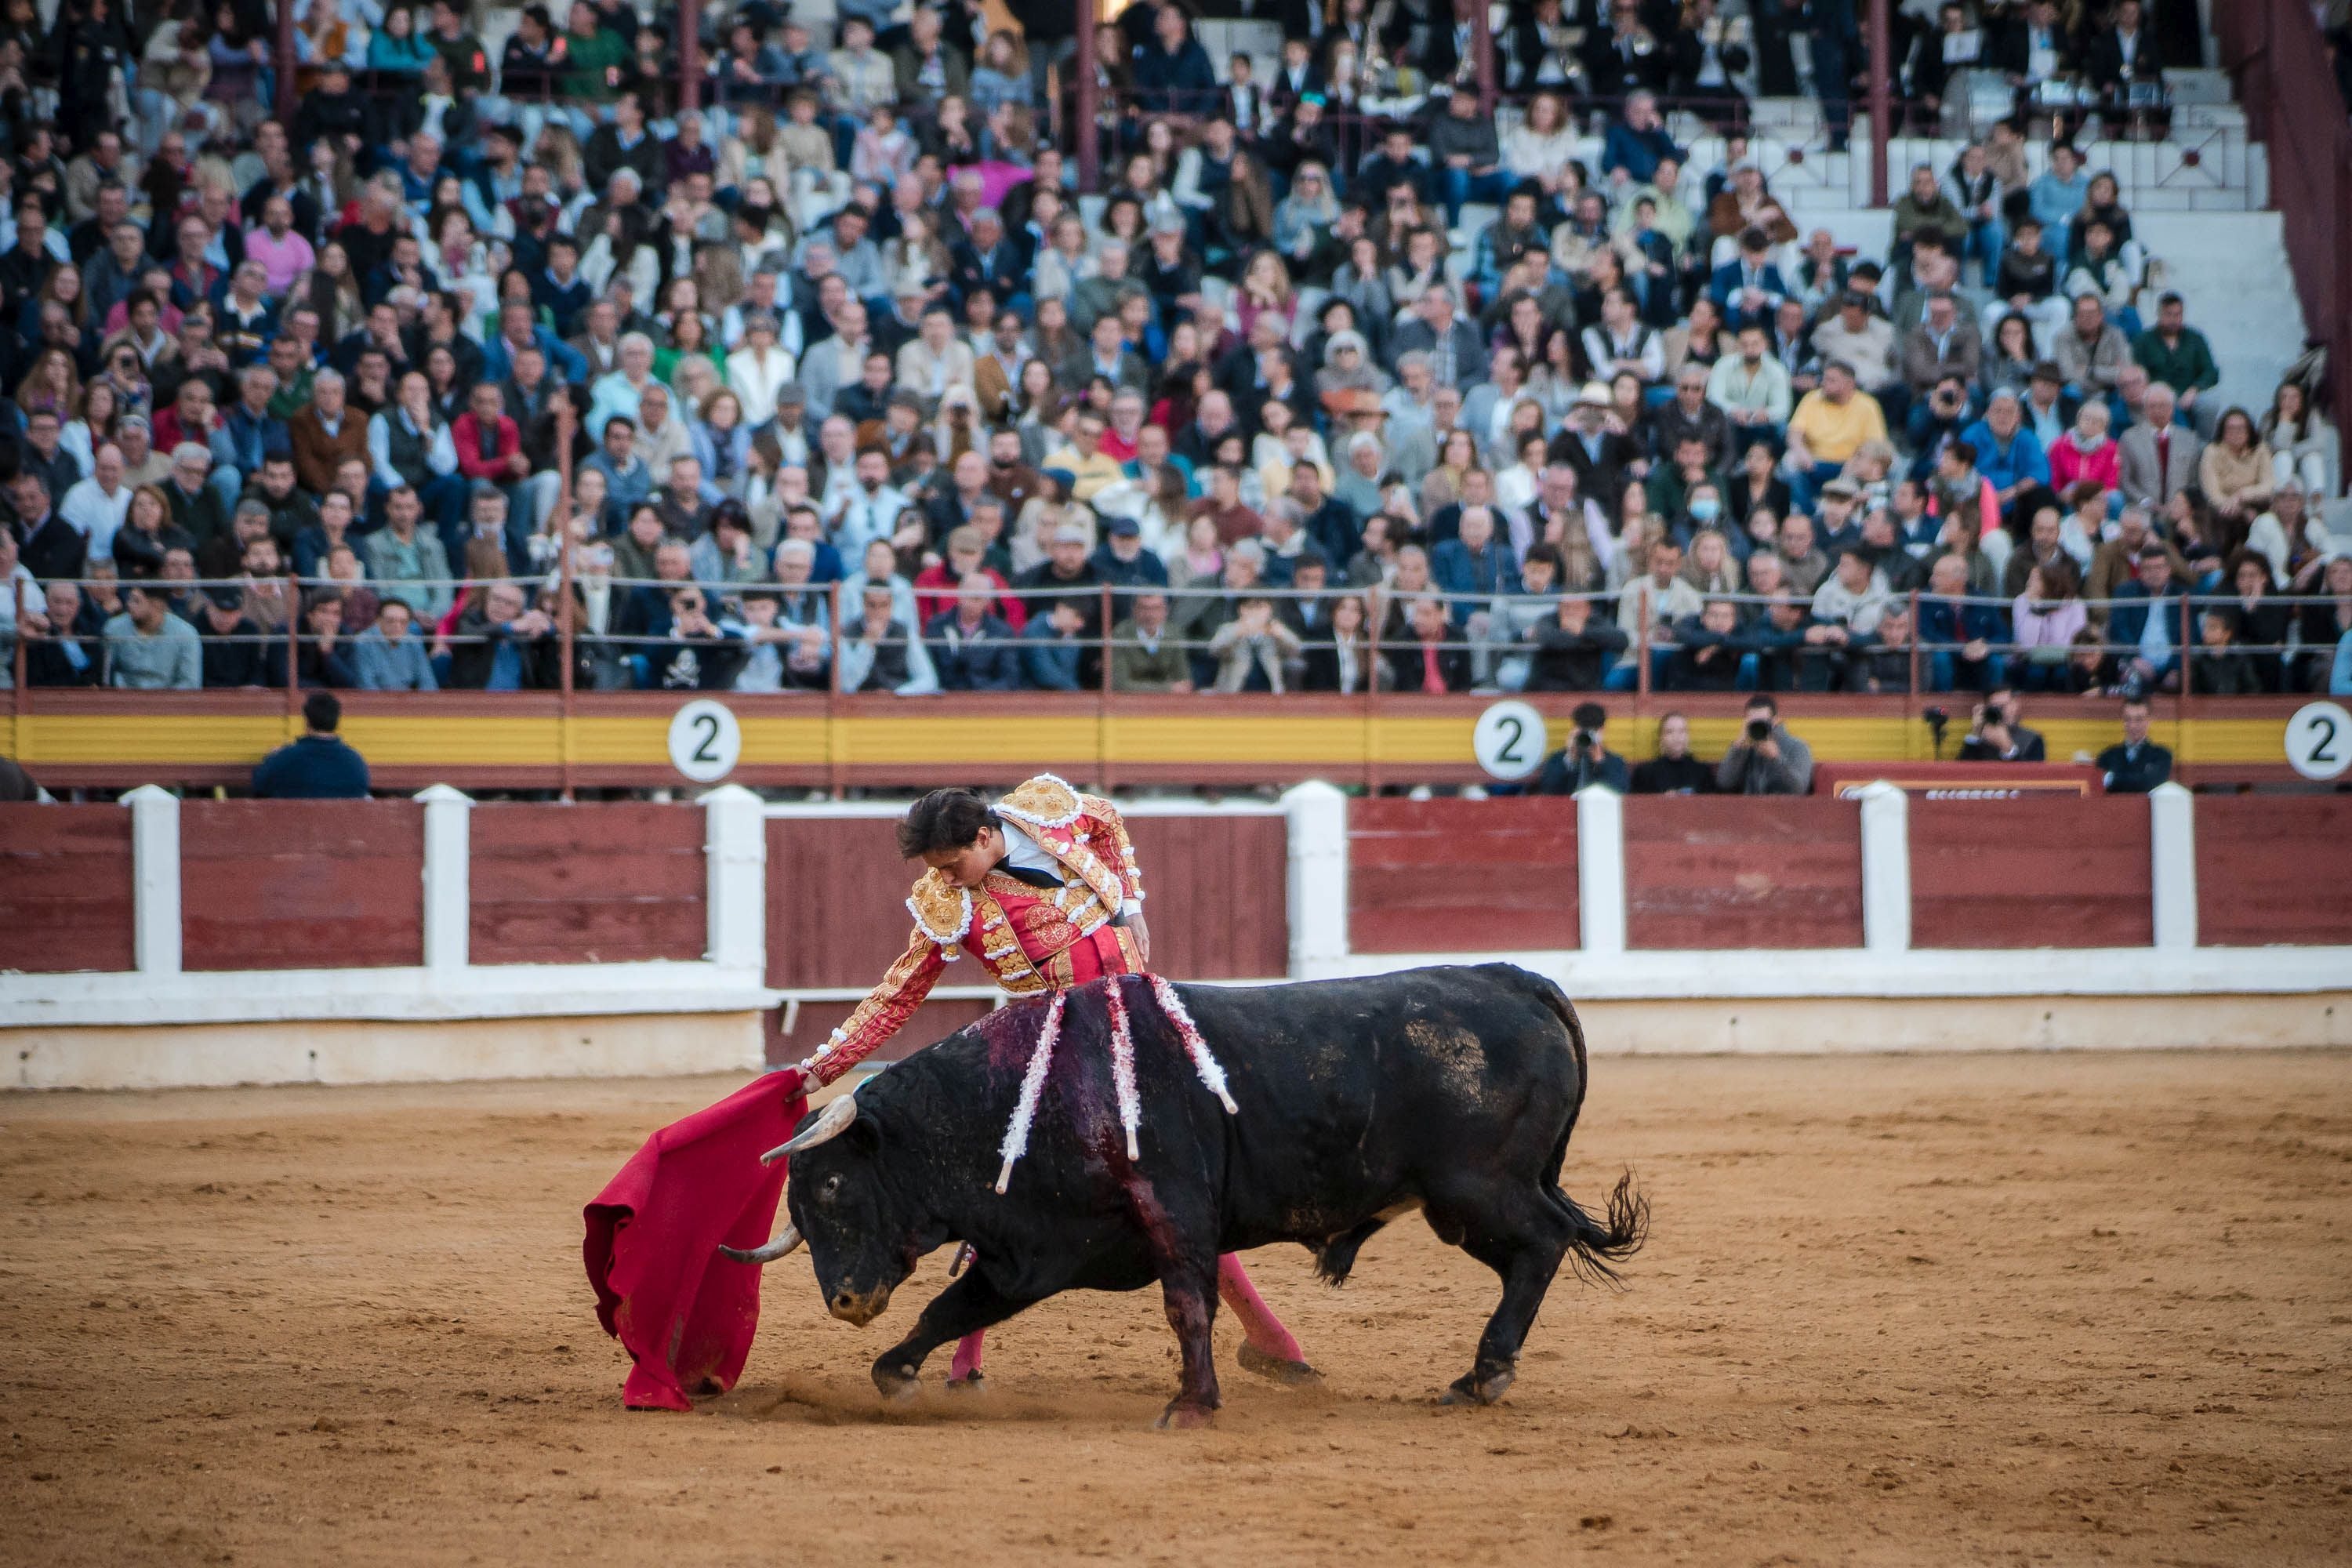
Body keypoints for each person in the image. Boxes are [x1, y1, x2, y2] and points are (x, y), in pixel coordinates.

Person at [805, 779, 1316, 1390]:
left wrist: (1130, 905)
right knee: (1061, 1194)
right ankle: (967, 1359)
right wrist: (821, 1068)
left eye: (953, 863)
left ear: (987, 836)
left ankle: (1266, 1337)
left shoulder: (1046, 811)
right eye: (937, 869)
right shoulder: (950, 904)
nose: (946, 878)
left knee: (1178, 1183)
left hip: (1143, 1033)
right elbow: (898, 994)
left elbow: (1108, 821)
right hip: (1056, 1055)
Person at [252, 692, 372, 798]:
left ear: (307, 721)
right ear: (336, 721)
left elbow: (259, 784)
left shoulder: (285, 758)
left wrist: (270, 758)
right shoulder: (356, 762)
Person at [1715, 693, 1813, 794]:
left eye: (1763, 722)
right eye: (1754, 722)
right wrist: (1738, 748)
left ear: (1776, 720)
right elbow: (1724, 783)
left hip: (1784, 808)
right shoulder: (1745, 747)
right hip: (1749, 807)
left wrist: (1776, 758)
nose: (1758, 726)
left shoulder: (1798, 747)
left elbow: (1799, 789)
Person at [1534, 702, 1630, 794]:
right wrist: (1570, 760)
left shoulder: (1615, 762)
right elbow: (1548, 790)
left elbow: (1619, 792)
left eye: (1593, 731)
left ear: (1602, 730)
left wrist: (1601, 763)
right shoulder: (1557, 760)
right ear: (1574, 729)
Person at [2096, 697, 2172, 793]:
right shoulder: (2107, 756)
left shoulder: (2162, 755)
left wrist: (2112, 779)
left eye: (2139, 720)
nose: (2132, 726)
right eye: (2128, 719)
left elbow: (2150, 783)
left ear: (2150, 720)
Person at [1629, 711, 1716, 793]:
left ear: (1688, 737)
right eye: (1670, 732)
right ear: (1661, 738)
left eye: (1682, 731)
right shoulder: (1645, 773)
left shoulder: (1703, 772)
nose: (1676, 737)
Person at [1957, 686, 2048, 762]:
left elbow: (2034, 776)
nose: (2002, 711)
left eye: (2005, 705)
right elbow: (1960, 773)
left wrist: (2008, 749)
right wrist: (1975, 734)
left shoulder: (2032, 739)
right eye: (1996, 707)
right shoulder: (1980, 739)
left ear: (2015, 705)